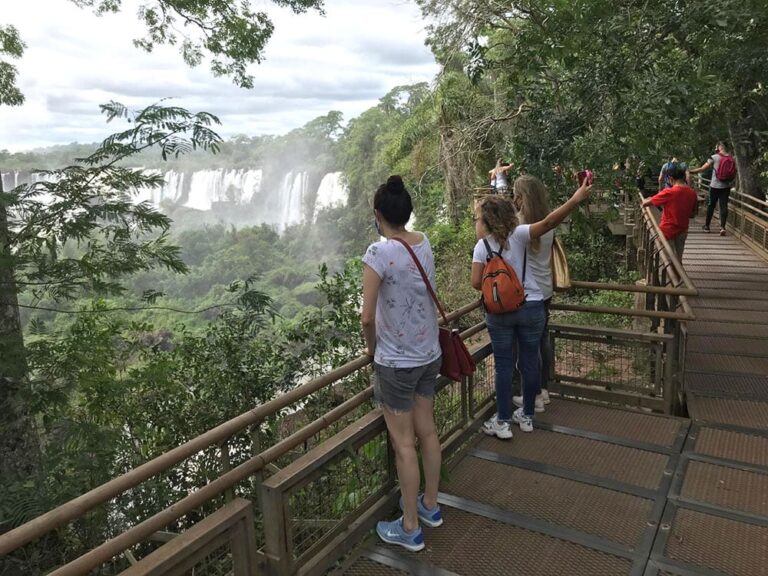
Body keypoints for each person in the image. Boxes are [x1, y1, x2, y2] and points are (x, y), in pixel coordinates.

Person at [471, 178, 592, 437]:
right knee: (529, 362)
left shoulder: (482, 247)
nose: (476, 224)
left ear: (487, 222)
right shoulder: (522, 233)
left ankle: (502, 422)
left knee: (503, 366)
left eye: (478, 220)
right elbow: (549, 222)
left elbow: (475, 283)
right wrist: (575, 199)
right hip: (532, 305)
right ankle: (526, 416)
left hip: (500, 315)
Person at [362, 175, 443, 552]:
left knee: (403, 444)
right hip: (429, 353)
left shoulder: (378, 254)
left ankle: (409, 527)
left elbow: (366, 317)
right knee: (426, 431)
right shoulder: (423, 242)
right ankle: (429, 505)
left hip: (396, 362)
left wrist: (369, 350)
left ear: (379, 215)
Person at [509, 176, 555, 414]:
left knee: (526, 347)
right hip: (546, 289)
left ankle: (532, 394)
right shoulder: (548, 224)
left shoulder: (519, 228)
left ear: (520, 198)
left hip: (527, 294)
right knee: (542, 342)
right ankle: (543, 390)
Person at [642, 162, 698, 259]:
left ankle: (672, 274)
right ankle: (678, 274)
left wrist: (647, 200)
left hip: (668, 230)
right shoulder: (692, 193)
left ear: (671, 179)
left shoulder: (669, 192)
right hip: (683, 229)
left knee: (668, 259)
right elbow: (693, 214)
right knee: (678, 258)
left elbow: (646, 203)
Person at [689, 141, 736, 236]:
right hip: (726, 186)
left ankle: (707, 226)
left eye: (716, 146)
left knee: (711, 205)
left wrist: (690, 171)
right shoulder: (732, 158)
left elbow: (702, 169)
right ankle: (722, 227)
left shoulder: (714, 157)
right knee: (724, 206)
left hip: (714, 186)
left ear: (720, 146)